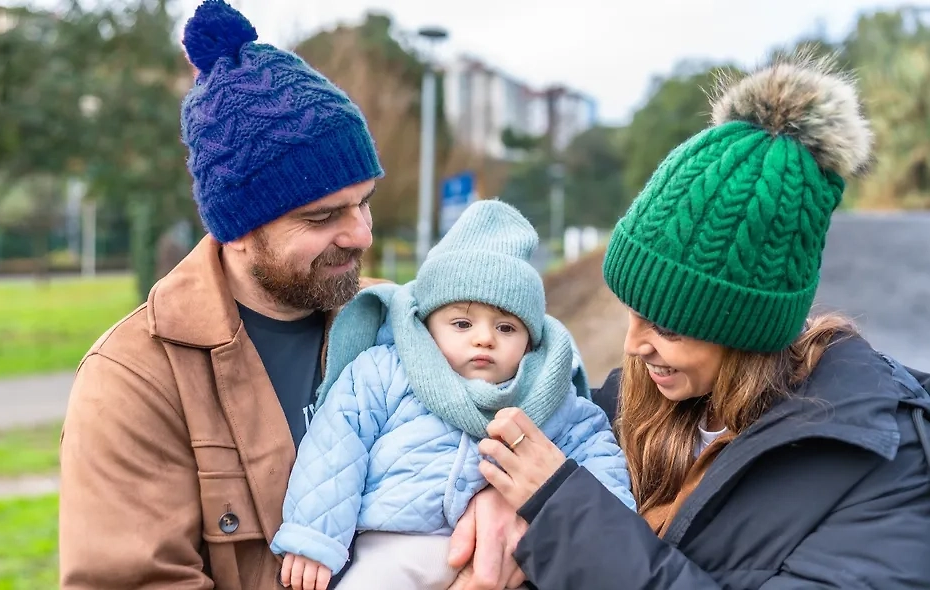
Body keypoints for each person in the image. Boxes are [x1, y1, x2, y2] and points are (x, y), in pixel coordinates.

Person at [458, 55, 930, 588]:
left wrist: (561, 513)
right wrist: (493, 499)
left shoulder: (885, 468)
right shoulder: (630, 406)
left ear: (747, 329)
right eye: (631, 315)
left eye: (668, 329)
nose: (633, 345)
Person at [56, 1, 391, 587]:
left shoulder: (398, 316)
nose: (361, 234)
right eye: (322, 216)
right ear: (237, 230)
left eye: (364, 201)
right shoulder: (134, 379)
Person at [267, 200, 635, 590]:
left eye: (507, 328)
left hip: (503, 557)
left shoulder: (550, 399)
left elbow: (596, 461)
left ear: (531, 341)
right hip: (395, 550)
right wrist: (315, 537)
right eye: (462, 323)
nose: (484, 338)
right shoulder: (384, 372)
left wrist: (610, 540)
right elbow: (335, 448)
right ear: (426, 325)